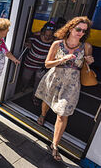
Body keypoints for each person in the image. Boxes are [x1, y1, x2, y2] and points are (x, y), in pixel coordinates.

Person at [35, 16, 94, 161]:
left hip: (71, 84)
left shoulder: (86, 47)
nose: (81, 32)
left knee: (62, 114)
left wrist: (89, 62)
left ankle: (54, 145)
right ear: (70, 28)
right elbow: (47, 64)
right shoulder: (57, 44)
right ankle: (43, 115)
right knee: (47, 102)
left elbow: (86, 66)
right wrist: (61, 60)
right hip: (54, 78)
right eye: (78, 29)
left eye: (84, 31)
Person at [21, 21, 56, 106]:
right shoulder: (36, 37)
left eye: (50, 36)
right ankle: (23, 87)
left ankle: (35, 97)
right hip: (30, 63)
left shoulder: (54, 42)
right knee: (26, 78)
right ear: (42, 32)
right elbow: (27, 39)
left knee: (38, 83)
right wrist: (28, 43)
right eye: (46, 35)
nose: (47, 37)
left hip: (41, 66)